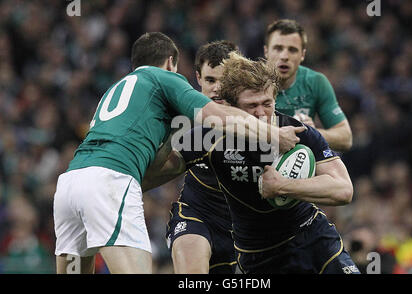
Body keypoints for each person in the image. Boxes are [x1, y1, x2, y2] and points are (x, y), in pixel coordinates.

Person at [53, 32, 302, 274]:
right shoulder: (164, 78)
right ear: (171, 62)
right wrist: (274, 134)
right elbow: (218, 117)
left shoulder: (118, 88)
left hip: (71, 183)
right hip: (110, 179)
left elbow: (156, 162)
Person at [149, 52, 359, 273]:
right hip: (259, 257)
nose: (261, 113)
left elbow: (343, 190)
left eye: (267, 103)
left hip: (313, 237)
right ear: (230, 106)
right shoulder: (209, 137)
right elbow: (156, 173)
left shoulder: (298, 133)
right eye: (251, 106)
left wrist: (283, 186)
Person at [164, 40, 238, 274]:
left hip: (243, 230)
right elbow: (161, 170)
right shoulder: (183, 123)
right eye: (210, 80)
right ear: (198, 78)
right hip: (196, 216)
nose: (216, 88)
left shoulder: (260, 119)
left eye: (223, 80)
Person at [264, 19, 353, 152]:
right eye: (278, 48)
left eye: (292, 50)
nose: (284, 56)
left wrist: (310, 133)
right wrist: (277, 134)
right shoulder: (247, 82)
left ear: (302, 55)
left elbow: (346, 138)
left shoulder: (316, 82)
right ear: (266, 51)